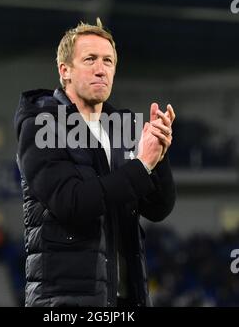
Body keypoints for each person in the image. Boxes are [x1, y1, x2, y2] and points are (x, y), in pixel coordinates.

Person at [14, 18, 176, 307]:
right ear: (65, 71)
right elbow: (72, 203)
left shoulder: (121, 127)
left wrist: (158, 156)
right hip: (65, 302)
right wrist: (141, 165)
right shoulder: (42, 126)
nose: (101, 69)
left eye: (108, 61)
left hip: (127, 299)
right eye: (90, 59)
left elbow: (158, 208)